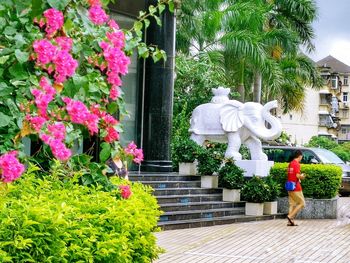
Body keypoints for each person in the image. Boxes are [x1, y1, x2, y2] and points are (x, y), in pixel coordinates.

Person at [286, 150, 306, 226]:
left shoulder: (290, 164)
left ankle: (289, 222)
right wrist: (302, 176)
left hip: (289, 186)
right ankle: (290, 216)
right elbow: (297, 176)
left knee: (292, 204)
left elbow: (290, 175)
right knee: (302, 203)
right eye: (301, 157)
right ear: (300, 156)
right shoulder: (296, 164)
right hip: (296, 187)